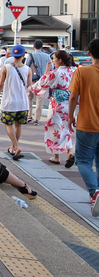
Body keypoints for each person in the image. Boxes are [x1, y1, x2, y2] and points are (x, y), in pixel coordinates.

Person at [68, 38, 99, 215]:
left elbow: (73, 97)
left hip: (87, 123)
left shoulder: (83, 72)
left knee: (83, 160)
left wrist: (70, 116)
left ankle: (94, 192)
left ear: (89, 53)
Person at [31, 50, 76, 166]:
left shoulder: (55, 73)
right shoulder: (74, 71)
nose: (53, 61)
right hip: (70, 103)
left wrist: (46, 71)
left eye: (54, 59)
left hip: (57, 104)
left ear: (60, 60)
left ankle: (56, 156)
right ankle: (70, 151)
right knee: (67, 128)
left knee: (55, 129)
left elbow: (42, 83)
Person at [0, 45, 32, 161]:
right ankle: (12, 148)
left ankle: (15, 146)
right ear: (23, 55)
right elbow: (29, 86)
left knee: (8, 124)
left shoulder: (6, 67)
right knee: (18, 125)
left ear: (12, 55)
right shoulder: (28, 69)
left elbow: (0, 84)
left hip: (9, 101)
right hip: (23, 102)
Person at [26, 40, 52, 125]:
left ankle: (29, 116)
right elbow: (51, 68)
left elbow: (26, 68)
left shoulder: (31, 55)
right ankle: (37, 119)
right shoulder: (47, 56)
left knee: (29, 97)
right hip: (44, 80)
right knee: (40, 99)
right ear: (42, 47)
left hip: (32, 79)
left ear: (34, 46)